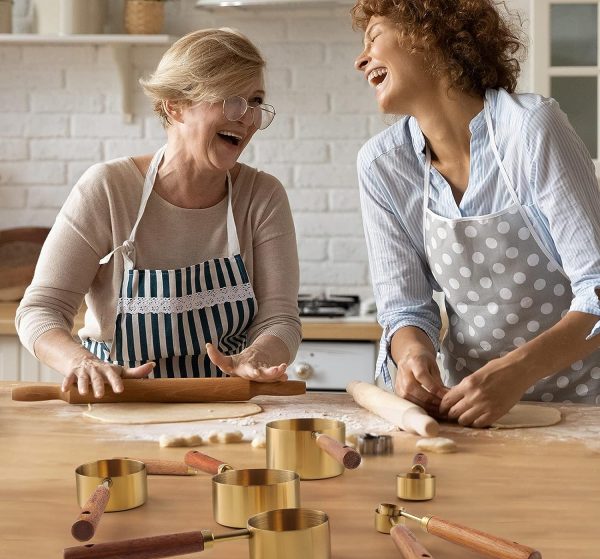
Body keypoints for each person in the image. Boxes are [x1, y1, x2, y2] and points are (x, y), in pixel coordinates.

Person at [352, 0, 600, 427]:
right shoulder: (382, 165)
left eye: (374, 37)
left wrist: (519, 370)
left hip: (583, 412)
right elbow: (405, 309)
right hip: (471, 417)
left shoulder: (530, 129)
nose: (361, 60)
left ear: (429, 35)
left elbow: (597, 289)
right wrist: (414, 354)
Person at [16, 28, 301, 398]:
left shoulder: (262, 196)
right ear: (174, 105)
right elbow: (40, 310)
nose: (247, 119)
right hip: (120, 402)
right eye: (233, 101)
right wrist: (82, 363)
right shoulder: (108, 189)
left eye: (256, 101)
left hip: (226, 404)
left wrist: (256, 357)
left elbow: (281, 319)